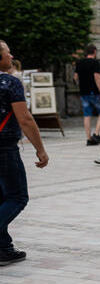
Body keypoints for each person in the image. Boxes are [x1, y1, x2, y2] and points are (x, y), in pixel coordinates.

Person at [0, 41, 49, 265]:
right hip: (4, 149)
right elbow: (25, 119)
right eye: (8, 52)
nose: (11, 56)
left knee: (2, 198)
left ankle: (4, 249)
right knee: (18, 197)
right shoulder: (10, 83)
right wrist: (40, 149)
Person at [74, 44, 100, 145]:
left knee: (87, 115)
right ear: (95, 52)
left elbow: (75, 77)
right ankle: (96, 134)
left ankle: (88, 138)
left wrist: (81, 84)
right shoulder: (95, 62)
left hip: (84, 92)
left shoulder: (79, 62)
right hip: (95, 92)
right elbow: (97, 77)